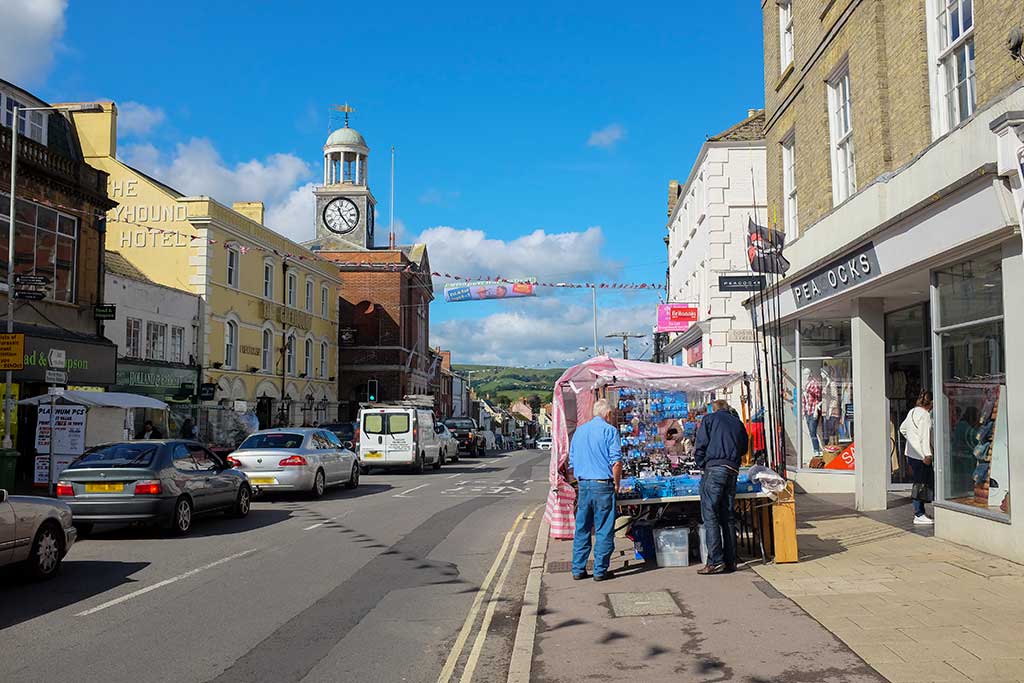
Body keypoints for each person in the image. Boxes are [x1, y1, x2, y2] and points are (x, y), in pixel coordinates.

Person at [569, 398, 622, 582]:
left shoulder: (580, 432)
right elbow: (616, 462)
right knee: (603, 530)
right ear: (608, 414)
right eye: (612, 414)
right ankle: (600, 571)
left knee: (582, 529)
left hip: (584, 485)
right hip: (603, 485)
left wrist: (581, 478)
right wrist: (616, 484)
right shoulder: (610, 431)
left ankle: (578, 569)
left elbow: (572, 461)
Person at [694, 399, 748, 575]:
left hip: (715, 468)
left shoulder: (709, 420)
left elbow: (700, 444)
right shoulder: (738, 423)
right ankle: (731, 560)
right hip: (732, 469)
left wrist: (702, 464)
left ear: (714, 409)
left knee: (710, 515)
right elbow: (744, 448)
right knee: (728, 516)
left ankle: (716, 561)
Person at [901, 390, 935, 525]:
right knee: (922, 483)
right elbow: (924, 437)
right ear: (930, 403)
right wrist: (927, 454)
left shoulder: (912, 412)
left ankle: (920, 511)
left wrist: (912, 440)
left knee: (919, 482)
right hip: (921, 455)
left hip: (911, 454)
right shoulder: (925, 415)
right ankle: (918, 513)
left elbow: (902, 429)